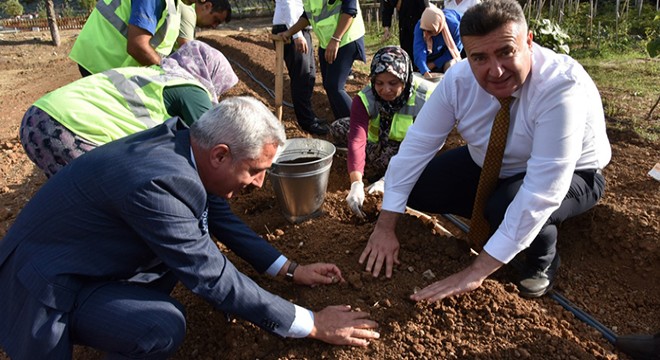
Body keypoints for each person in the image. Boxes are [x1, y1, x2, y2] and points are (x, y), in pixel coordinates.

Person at [0, 96, 380, 359]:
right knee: (161, 325)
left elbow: (221, 219)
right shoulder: (158, 183)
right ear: (220, 154)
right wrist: (311, 323)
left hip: (83, 262)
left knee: (167, 267)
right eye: (256, 171)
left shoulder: (184, 149)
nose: (259, 184)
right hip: (44, 286)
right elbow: (212, 278)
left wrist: (290, 270)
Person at [359, 0, 611, 301]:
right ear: (466, 54)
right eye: (479, 57)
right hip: (491, 162)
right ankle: (501, 219)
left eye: (506, 52)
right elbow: (416, 147)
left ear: (528, 42)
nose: (496, 70)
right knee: (415, 187)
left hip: (575, 174)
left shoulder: (560, 87)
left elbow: (544, 189)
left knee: (506, 206)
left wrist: (474, 272)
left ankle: (542, 259)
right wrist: (386, 226)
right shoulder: (457, 81)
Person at [21, 40, 238, 177]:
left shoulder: (157, 74)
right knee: (110, 197)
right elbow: (214, 147)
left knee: (75, 197)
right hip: (67, 128)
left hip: (37, 119)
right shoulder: (191, 90)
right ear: (210, 73)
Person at [328, 46, 436, 218]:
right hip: (377, 141)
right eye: (379, 83)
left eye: (393, 83)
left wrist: (388, 180)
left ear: (405, 78)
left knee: (387, 162)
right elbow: (357, 140)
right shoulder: (365, 98)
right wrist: (356, 183)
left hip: (409, 148)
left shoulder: (428, 98)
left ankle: (385, 174)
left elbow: (428, 145)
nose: (386, 89)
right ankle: (374, 167)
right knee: (338, 128)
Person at [69, 0, 231, 77]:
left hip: (113, 61)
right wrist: (169, 72)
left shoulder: (174, 4)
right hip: (102, 59)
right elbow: (137, 46)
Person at [278, 0, 366, 121]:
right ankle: (343, 127)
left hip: (345, 38)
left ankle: (358, 129)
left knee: (334, 86)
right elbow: (308, 16)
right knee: (330, 87)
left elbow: (349, 11)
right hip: (327, 41)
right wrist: (290, 32)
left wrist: (336, 39)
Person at [271, 0, 329, 135]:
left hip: (299, 29)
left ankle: (309, 116)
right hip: (289, 29)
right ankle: (307, 122)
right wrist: (297, 35)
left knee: (309, 75)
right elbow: (288, 5)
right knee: (301, 77)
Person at [412, 5, 463, 78]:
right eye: (425, 30)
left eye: (430, 31)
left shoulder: (454, 26)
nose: (426, 34)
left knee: (450, 66)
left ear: (438, 27)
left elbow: (454, 50)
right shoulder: (421, 26)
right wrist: (425, 70)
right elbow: (419, 50)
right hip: (432, 53)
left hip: (449, 52)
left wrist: (434, 63)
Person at [381, 0, 428, 70]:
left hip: (419, 21)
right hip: (405, 23)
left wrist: (426, 27)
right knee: (407, 53)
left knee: (420, 52)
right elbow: (387, 5)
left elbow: (424, 6)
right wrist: (386, 27)